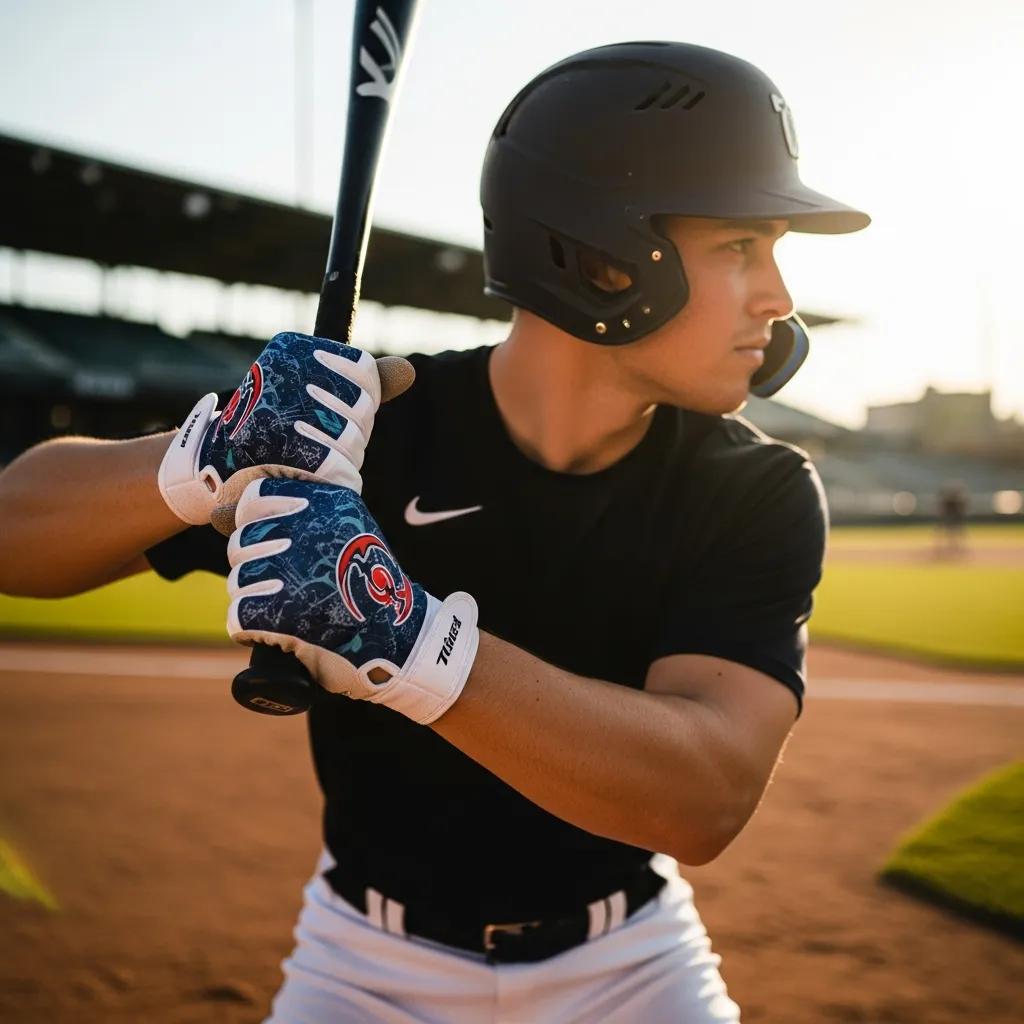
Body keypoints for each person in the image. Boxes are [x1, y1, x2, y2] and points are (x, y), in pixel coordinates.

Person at [0, 41, 869, 1023]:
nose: (779, 299)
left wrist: (406, 643)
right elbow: (11, 537)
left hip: (631, 963)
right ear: (599, 258)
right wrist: (203, 452)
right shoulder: (364, 430)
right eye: (741, 248)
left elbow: (703, 797)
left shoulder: (753, 485)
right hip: (362, 964)